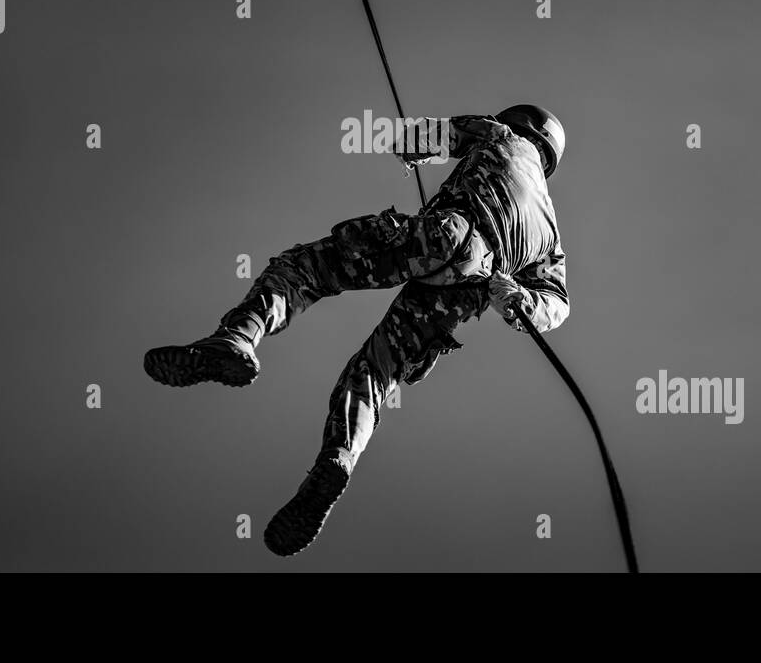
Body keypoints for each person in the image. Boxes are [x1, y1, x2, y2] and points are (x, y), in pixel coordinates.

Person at [144, 105, 570, 556]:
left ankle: (237, 339)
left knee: (307, 268)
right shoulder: (550, 231)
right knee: (374, 373)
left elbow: (423, 136)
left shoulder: (501, 136)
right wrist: (520, 302)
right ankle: (337, 459)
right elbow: (557, 304)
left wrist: (410, 147)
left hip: (442, 236)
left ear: (521, 125)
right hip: (465, 292)